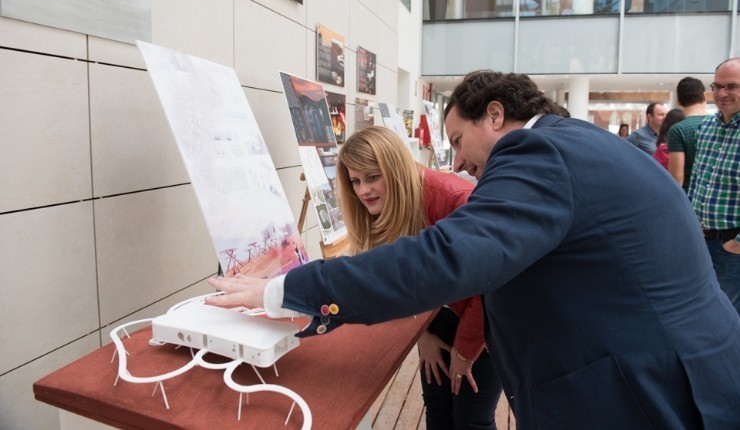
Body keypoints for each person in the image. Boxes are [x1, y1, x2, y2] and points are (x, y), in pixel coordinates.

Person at [207, 70, 740, 428]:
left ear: (494, 115)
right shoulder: (575, 142)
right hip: (673, 371)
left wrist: (285, 289)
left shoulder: (537, 152)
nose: (457, 163)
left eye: (458, 141)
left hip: (643, 392)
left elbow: (447, 260)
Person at [334, 126, 501, 429]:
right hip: (436, 317)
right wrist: (422, 335)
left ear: (396, 169)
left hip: (487, 325)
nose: (363, 191)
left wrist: (465, 351)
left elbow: (489, 292)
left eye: (372, 177)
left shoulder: (456, 200)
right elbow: (395, 285)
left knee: (471, 419)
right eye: (355, 181)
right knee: (437, 411)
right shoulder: (379, 208)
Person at [688, 58, 740, 317]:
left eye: (732, 86)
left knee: (728, 317)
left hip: (733, 246)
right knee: (704, 312)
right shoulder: (706, 127)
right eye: (717, 86)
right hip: (701, 241)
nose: (722, 93)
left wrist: (737, 243)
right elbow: (698, 180)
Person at [667, 77, 709, 192]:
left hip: (689, 195)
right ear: (705, 96)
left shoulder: (678, 130)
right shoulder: (719, 124)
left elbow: (676, 177)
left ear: (678, 101)